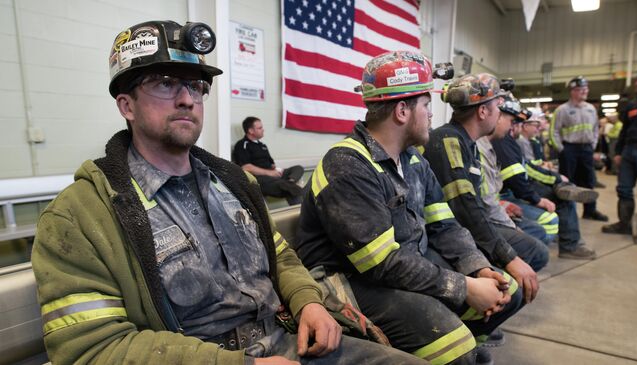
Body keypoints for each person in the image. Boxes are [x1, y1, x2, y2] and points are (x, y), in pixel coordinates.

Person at [30, 21, 426, 365]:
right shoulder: (80, 216)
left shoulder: (234, 183)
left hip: (292, 343)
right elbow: (92, 350)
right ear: (126, 105)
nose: (187, 98)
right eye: (165, 83)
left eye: (196, 86)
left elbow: (280, 257)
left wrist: (308, 302)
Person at [295, 51, 524, 365]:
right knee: (456, 350)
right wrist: (463, 287)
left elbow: (444, 225)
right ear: (402, 111)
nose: (431, 115)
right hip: (350, 280)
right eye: (427, 105)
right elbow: (380, 264)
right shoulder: (347, 165)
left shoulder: (413, 160)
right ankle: (459, 349)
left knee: (507, 289)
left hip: (408, 263)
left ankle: (464, 342)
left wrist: (476, 267)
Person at [425, 74, 547, 311]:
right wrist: (508, 257)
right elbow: (465, 209)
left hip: (459, 229)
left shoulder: (466, 142)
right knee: (533, 254)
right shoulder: (449, 141)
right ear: (482, 112)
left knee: (532, 250)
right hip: (446, 234)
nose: (500, 114)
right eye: (497, 108)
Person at [491, 95, 598, 260]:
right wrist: (537, 199)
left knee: (561, 192)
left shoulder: (509, 140)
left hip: (514, 190)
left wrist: (554, 177)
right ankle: (565, 245)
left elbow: (526, 168)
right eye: (514, 120)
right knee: (555, 210)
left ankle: (562, 188)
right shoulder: (503, 141)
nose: (516, 125)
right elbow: (516, 179)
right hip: (509, 194)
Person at [476, 102, 558, 246]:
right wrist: (513, 226)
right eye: (513, 121)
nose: (513, 126)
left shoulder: (495, 143)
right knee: (542, 229)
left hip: (496, 205)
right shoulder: (495, 144)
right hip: (492, 211)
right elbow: (514, 179)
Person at [602, 65, 637, 242]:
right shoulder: (632, 105)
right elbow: (624, 131)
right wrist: (619, 152)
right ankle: (624, 224)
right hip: (629, 150)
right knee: (624, 188)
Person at [550, 76, 608, 221]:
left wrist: (592, 145)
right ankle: (567, 213)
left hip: (587, 149)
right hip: (569, 149)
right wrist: (562, 149)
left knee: (589, 180)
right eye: (580, 89)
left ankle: (590, 210)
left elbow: (595, 129)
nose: (584, 91)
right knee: (567, 182)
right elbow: (554, 131)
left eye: (586, 88)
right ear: (572, 91)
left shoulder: (591, 110)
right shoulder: (562, 110)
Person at [233, 117, 304, 205]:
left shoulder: (262, 145)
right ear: (251, 130)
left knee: (298, 168)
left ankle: (290, 181)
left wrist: (276, 170)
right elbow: (246, 167)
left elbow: (271, 164)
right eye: (260, 128)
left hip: (273, 175)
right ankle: (292, 186)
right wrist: (269, 173)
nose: (263, 130)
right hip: (259, 178)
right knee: (287, 187)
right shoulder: (242, 145)